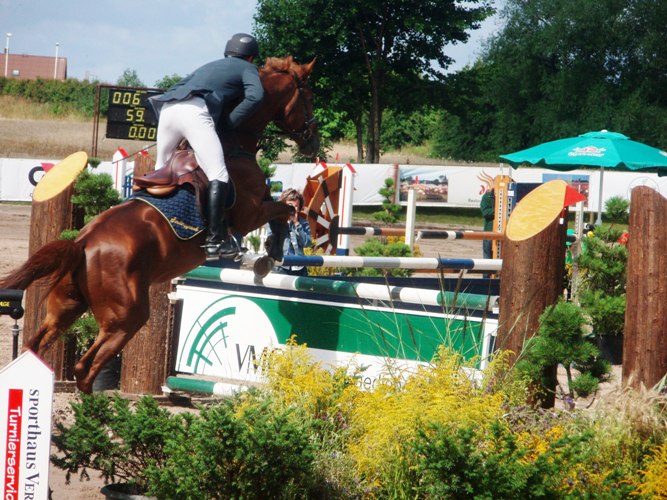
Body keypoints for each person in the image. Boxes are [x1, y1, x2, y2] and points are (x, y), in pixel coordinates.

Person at [149, 33, 265, 260]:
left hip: (168, 108)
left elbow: (177, 87)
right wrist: (229, 122)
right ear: (251, 57)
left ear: (227, 52)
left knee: (161, 169)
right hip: (194, 110)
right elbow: (255, 97)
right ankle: (214, 241)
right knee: (218, 174)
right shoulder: (247, 68)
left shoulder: (210, 65)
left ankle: (159, 218)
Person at [271, 189, 312, 276]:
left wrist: (296, 223)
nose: (293, 208)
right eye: (290, 205)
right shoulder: (276, 221)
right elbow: (270, 241)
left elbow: (307, 243)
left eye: (296, 206)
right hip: (280, 266)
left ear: (299, 208)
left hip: (299, 267)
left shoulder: (303, 223)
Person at [480, 187, 495, 259]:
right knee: (487, 257)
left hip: (504, 233)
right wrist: (498, 211)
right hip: (489, 231)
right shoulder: (487, 196)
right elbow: (485, 213)